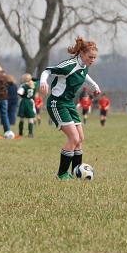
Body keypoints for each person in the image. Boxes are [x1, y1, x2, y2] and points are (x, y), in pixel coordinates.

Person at [39, 36, 101, 179]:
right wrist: (44, 82)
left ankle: (76, 173)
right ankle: (61, 174)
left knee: (80, 139)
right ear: (82, 54)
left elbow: (84, 74)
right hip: (57, 103)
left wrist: (95, 86)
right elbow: (47, 71)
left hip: (69, 104)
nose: (92, 60)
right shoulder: (69, 65)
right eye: (90, 57)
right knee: (73, 138)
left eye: (94, 58)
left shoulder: (84, 65)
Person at [17, 73, 36, 138]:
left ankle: (20, 133)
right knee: (30, 118)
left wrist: (22, 96)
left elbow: (19, 92)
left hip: (24, 102)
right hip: (31, 102)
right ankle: (30, 134)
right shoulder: (33, 85)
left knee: (22, 118)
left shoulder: (24, 86)